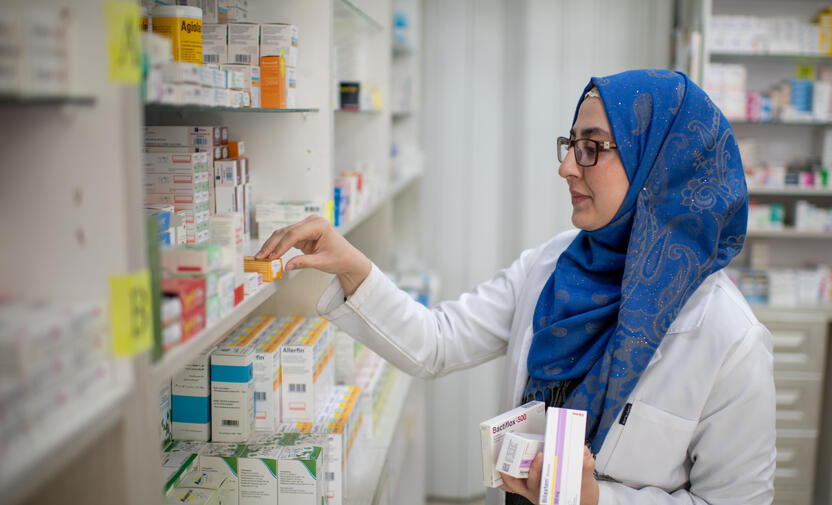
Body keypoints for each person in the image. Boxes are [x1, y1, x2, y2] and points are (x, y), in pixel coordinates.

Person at [256, 69, 776, 505]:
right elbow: (436, 342)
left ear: (657, 167)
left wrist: (599, 499)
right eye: (571, 144)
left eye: (592, 147)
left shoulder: (728, 338)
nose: (566, 165)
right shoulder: (551, 265)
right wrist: (351, 265)